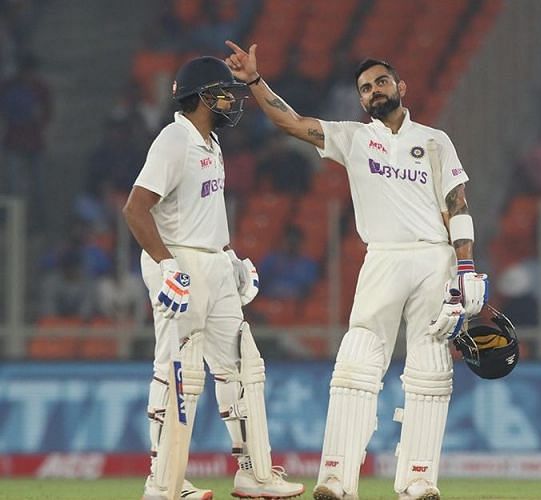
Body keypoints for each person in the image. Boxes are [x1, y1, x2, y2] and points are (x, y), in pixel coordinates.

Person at [224, 41, 489, 500]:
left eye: (381, 81)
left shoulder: (434, 140)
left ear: (400, 86)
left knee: (430, 367)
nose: (373, 91)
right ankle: (336, 479)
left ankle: (418, 481)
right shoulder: (353, 137)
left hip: (434, 257)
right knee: (356, 363)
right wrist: (253, 81)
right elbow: (290, 121)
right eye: (365, 88)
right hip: (382, 256)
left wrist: (466, 266)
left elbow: (457, 204)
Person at [122, 55, 304, 500]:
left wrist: (231, 258)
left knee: (243, 365)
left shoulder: (211, 143)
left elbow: (203, 215)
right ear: (202, 96)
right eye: (224, 92)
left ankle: (254, 473)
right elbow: (135, 209)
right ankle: (164, 483)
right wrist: (167, 266)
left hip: (213, 263)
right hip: (179, 264)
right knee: (179, 370)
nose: (231, 99)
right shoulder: (174, 139)